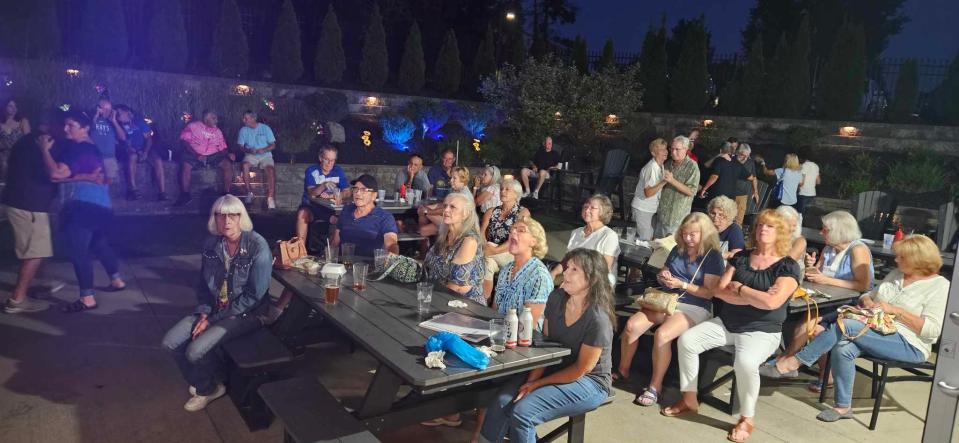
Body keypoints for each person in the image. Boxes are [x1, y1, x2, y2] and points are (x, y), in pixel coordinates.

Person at [760, 235, 947, 423]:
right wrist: (867, 301)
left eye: (901, 257)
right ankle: (843, 407)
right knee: (843, 348)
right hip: (874, 328)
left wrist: (895, 311)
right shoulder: (896, 275)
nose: (896, 260)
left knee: (846, 326)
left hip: (909, 343)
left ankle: (796, 362)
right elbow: (867, 295)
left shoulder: (939, 286)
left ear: (918, 260)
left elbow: (932, 330)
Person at [663, 209, 801, 443]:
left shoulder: (787, 266)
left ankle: (746, 418)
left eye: (769, 227)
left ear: (781, 233)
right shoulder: (742, 257)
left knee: (745, 362)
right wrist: (755, 296)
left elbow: (773, 302)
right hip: (728, 323)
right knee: (688, 341)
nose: (762, 230)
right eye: (759, 225)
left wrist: (740, 289)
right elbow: (719, 290)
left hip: (762, 330)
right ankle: (689, 398)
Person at [478, 248, 614, 443]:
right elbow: (547, 347)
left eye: (574, 270)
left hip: (590, 382)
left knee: (524, 412)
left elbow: (580, 369)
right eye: (567, 267)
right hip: (556, 365)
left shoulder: (598, 319)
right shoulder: (556, 298)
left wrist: (536, 384)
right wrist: (530, 382)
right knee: (501, 403)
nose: (565, 273)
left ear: (591, 280)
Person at [161, 195, 273, 412]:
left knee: (194, 352)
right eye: (221, 216)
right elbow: (203, 286)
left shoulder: (257, 246)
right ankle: (210, 381)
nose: (227, 221)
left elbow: (253, 297)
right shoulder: (212, 244)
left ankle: (207, 389)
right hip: (214, 309)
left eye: (233, 215)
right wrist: (204, 313)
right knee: (170, 342)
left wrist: (212, 320)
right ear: (215, 219)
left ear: (242, 217)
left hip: (248, 313)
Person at [617, 212, 724, 407]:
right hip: (667, 300)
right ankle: (623, 370)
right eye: (684, 233)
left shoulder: (712, 257)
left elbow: (709, 293)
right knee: (632, 326)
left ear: (705, 234)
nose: (687, 238)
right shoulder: (678, 248)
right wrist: (663, 276)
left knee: (663, 335)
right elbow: (663, 272)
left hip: (694, 305)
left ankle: (655, 387)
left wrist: (681, 285)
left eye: (693, 235)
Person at [457, 216, 552, 434]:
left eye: (521, 230)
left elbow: (527, 328)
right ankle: (455, 415)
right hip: (500, 338)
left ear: (534, 241)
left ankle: (481, 433)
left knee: (484, 377)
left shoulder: (539, 275)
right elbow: (496, 310)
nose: (513, 234)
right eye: (512, 230)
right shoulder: (508, 269)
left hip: (524, 350)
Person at [775, 209, 874, 392]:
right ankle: (801, 364)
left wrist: (826, 280)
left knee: (811, 325)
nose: (821, 233)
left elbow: (863, 285)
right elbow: (817, 275)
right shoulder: (829, 249)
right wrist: (812, 267)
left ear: (839, 231)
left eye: (825, 230)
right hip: (825, 301)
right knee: (799, 320)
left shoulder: (857, 250)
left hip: (852, 304)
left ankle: (788, 361)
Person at [39, 111, 127, 313]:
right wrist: (84, 176)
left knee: (79, 251)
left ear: (85, 127)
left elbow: (56, 174)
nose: (65, 128)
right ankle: (117, 281)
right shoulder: (93, 149)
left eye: (71, 125)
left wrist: (44, 150)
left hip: (81, 206)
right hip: (101, 205)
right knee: (99, 243)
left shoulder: (77, 149)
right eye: (65, 124)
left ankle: (87, 298)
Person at [2, 131, 57, 313]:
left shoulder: (24, 142)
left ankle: (35, 285)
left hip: (21, 203)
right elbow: (56, 174)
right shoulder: (40, 147)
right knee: (35, 253)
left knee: (34, 250)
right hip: (30, 206)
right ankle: (17, 299)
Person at [423, 192, 486, 304]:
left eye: (452, 207)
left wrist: (430, 298)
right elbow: (426, 267)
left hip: (464, 305)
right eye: (445, 206)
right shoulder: (444, 236)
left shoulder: (469, 241)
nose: (446, 210)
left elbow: (456, 286)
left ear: (465, 214)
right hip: (440, 296)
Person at [551, 195, 620, 287]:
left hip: (597, 283)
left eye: (592, 208)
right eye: (585, 207)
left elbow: (604, 269)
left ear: (603, 211)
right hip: (574, 277)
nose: (587, 210)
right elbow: (567, 260)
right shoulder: (576, 232)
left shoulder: (609, 236)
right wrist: (553, 273)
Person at [480, 179, 531, 300]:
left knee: (485, 255)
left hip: (510, 253)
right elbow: (481, 233)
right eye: (502, 189)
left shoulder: (523, 212)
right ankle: (484, 300)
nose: (503, 191)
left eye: (507, 189)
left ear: (516, 194)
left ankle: (481, 300)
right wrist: (486, 247)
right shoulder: (491, 211)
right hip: (490, 251)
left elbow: (517, 238)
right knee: (487, 262)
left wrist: (493, 250)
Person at [175, 110, 234, 206]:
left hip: (213, 156)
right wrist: (197, 155)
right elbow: (184, 142)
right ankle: (185, 195)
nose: (217, 121)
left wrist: (229, 154)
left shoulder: (217, 131)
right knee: (186, 166)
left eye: (216, 119)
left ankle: (226, 193)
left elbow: (223, 147)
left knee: (227, 165)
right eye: (214, 118)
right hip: (194, 154)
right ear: (206, 119)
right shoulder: (193, 126)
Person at [331, 174, 399, 257]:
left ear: (373, 196)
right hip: (342, 266)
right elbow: (335, 241)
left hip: (369, 267)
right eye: (355, 189)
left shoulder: (384, 217)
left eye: (364, 190)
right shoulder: (346, 210)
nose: (358, 193)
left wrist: (392, 255)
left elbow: (391, 243)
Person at [295, 145, 350, 242]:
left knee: (343, 219)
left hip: (330, 208)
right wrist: (323, 185)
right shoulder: (312, 170)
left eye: (332, 160)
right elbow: (312, 193)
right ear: (320, 158)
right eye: (327, 159)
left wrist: (333, 195)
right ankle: (300, 251)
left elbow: (347, 192)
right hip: (312, 207)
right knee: (302, 214)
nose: (330, 163)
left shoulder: (338, 171)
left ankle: (332, 252)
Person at [116, 104, 166, 201]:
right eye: (117, 114)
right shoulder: (118, 126)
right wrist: (130, 148)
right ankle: (133, 190)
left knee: (158, 160)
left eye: (119, 113)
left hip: (145, 148)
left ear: (127, 112)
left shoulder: (139, 122)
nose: (118, 116)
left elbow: (149, 139)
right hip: (131, 150)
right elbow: (121, 141)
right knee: (132, 157)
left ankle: (162, 192)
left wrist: (145, 152)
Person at [654, 135, 700, 238]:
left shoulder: (692, 166)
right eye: (672, 149)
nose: (673, 152)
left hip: (676, 218)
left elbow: (691, 191)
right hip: (661, 215)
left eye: (677, 149)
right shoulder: (668, 163)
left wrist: (672, 180)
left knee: (670, 249)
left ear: (685, 149)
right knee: (656, 248)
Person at [237, 110, 277, 209]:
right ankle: (249, 192)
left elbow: (273, 145)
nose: (244, 120)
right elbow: (240, 146)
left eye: (246, 118)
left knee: (271, 170)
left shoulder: (265, 128)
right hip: (251, 155)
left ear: (253, 118)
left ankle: (270, 198)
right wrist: (249, 150)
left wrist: (263, 149)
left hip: (265, 155)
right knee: (245, 165)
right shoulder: (243, 130)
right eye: (244, 118)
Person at [630, 138, 669, 241]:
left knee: (649, 239)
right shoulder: (651, 167)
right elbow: (648, 192)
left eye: (666, 149)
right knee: (644, 241)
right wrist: (664, 182)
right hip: (642, 208)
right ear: (653, 153)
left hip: (650, 209)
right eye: (661, 149)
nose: (665, 151)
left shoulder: (661, 166)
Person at [418, 166, 473, 237]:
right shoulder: (455, 189)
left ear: (462, 179)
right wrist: (428, 207)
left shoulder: (463, 195)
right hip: (450, 219)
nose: (451, 180)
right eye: (451, 178)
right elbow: (444, 204)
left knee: (425, 214)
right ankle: (429, 240)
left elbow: (447, 210)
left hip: (459, 225)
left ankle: (440, 237)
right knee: (422, 221)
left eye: (454, 178)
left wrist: (427, 211)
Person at [90, 97, 126, 183]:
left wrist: (114, 121)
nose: (107, 111)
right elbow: (88, 129)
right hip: (95, 157)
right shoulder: (91, 119)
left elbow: (123, 137)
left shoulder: (112, 122)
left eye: (109, 109)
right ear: (98, 108)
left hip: (109, 158)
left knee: (108, 183)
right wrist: (96, 116)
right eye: (105, 109)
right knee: (94, 182)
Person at [0, 98, 31, 180]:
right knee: (4, 162)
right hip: (4, 155)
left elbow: (29, 141)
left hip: (20, 154)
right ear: (4, 107)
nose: (14, 108)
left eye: (16, 106)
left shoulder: (23, 121)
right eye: (10, 106)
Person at [732, 143, 759, 226]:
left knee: (738, 220)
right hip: (729, 193)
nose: (745, 158)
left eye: (747, 155)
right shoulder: (731, 160)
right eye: (743, 155)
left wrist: (755, 192)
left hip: (742, 195)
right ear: (737, 152)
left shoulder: (750, 162)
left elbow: (754, 178)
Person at [797, 149, 820, 217]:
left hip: (803, 193)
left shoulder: (803, 166)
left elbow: (801, 183)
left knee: (799, 215)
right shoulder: (816, 166)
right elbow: (818, 181)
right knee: (806, 215)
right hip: (812, 193)